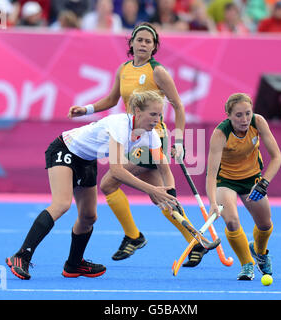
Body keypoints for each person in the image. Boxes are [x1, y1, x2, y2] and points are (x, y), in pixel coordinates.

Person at [68, 22, 204, 264]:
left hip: (152, 136)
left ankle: (134, 236)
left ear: (154, 47)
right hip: (135, 136)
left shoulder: (158, 72)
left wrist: (180, 140)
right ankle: (195, 241)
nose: (143, 44)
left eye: (148, 41)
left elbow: (178, 106)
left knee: (110, 183)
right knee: (158, 195)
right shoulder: (124, 69)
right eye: (139, 40)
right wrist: (86, 109)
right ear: (131, 43)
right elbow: (111, 100)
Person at [6, 90, 178, 280]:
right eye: (152, 114)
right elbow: (117, 171)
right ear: (137, 111)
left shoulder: (151, 135)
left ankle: (73, 265)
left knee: (88, 216)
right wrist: (152, 190)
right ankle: (21, 255)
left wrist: (171, 197)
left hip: (87, 160)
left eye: (160, 115)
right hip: (65, 149)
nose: (157, 119)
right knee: (62, 204)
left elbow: (164, 168)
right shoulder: (121, 125)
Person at [205, 93, 281, 280]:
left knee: (265, 224)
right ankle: (247, 263)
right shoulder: (220, 134)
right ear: (228, 115)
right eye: (238, 115)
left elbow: (277, 157)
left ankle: (260, 252)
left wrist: (263, 183)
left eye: (248, 113)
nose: (245, 119)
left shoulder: (258, 122)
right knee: (231, 221)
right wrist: (213, 203)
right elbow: (211, 174)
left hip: (253, 180)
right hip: (226, 181)